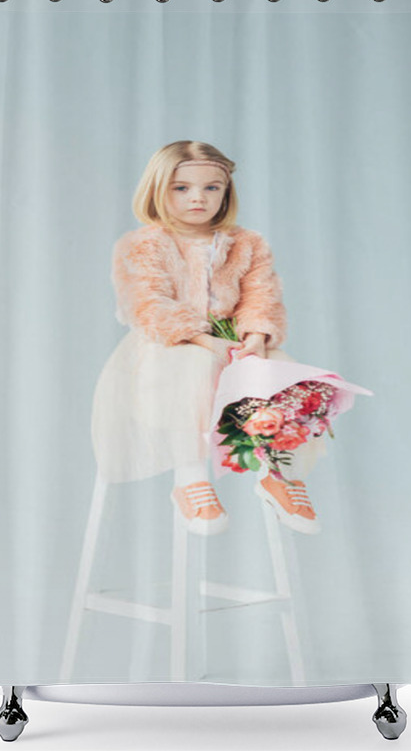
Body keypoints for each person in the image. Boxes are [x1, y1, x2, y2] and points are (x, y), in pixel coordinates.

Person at [90, 140, 326, 537]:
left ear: (226, 192)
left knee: (285, 374)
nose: (198, 197)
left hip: (233, 341)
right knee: (194, 368)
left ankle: (280, 474)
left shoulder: (247, 244)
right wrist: (204, 339)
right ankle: (189, 477)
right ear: (158, 190)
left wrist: (254, 337)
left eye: (211, 187)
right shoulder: (143, 244)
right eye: (181, 188)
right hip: (167, 348)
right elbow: (148, 303)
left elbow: (260, 296)